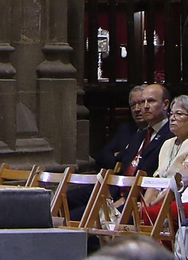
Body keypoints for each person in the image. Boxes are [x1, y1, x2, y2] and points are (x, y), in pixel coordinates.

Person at [69, 83, 174, 213]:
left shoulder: (171, 135)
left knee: (78, 216)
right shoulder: (139, 135)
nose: (145, 106)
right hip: (116, 189)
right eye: (142, 102)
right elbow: (120, 161)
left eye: (151, 101)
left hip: (140, 197)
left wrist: (125, 198)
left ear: (165, 104)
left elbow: (155, 172)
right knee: (67, 198)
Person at [142, 94, 188, 219]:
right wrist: (146, 204)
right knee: (139, 213)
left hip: (182, 197)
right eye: (171, 114)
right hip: (162, 198)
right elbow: (157, 179)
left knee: (148, 214)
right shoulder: (167, 143)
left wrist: (152, 205)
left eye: (179, 114)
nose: (172, 118)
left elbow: (179, 182)